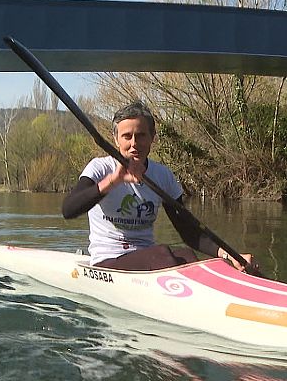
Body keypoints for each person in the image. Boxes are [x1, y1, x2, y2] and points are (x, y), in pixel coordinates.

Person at [62, 101, 256, 272]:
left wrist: (227, 255)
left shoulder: (162, 176)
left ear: (152, 137)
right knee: (162, 253)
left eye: (141, 135)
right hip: (108, 261)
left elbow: (188, 230)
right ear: (116, 139)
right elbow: (69, 210)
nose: (134, 144)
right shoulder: (100, 168)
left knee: (187, 255)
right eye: (127, 136)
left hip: (148, 259)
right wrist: (114, 180)